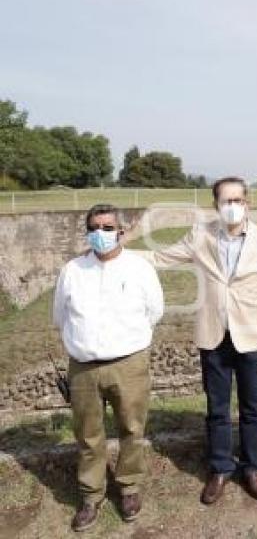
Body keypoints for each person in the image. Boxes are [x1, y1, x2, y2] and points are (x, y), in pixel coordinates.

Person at [146, 177, 257, 505]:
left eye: (237, 200)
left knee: (252, 409)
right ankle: (221, 467)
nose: (232, 206)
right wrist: (117, 252)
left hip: (251, 338)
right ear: (216, 205)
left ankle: (252, 467)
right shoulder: (201, 235)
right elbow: (162, 258)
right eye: (226, 201)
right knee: (217, 408)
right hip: (213, 336)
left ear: (247, 203)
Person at [53, 204, 164, 532]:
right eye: (94, 228)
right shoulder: (72, 270)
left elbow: (154, 310)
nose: (100, 233)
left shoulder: (140, 268)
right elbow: (60, 316)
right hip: (83, 367)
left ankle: (128, 487)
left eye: (107, 227)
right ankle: (91, 494)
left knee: (132, 428)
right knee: (88, 434)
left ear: (121, 230)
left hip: (129, 363)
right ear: (87, 232)